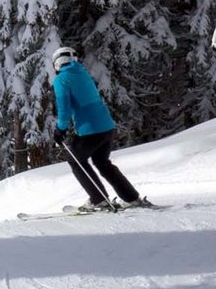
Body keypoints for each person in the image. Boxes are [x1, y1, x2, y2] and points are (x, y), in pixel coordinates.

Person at [50, 47, 151, 213]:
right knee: (102, 163)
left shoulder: (61, 80)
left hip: (90, 131)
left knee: (75, 161)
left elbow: (64, 108)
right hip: (106, 128)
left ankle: (99, 200)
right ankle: (131, 197)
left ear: (57, 63)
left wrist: (60, 129)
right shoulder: (82, 73)